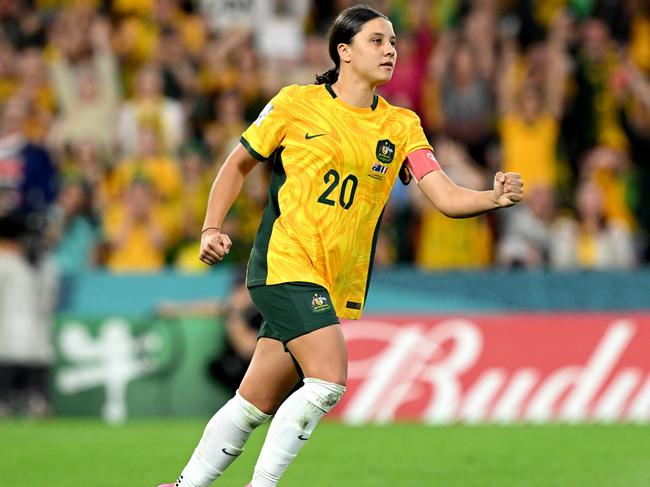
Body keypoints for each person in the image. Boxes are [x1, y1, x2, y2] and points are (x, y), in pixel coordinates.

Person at [159, 5, 523, 487]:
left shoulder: (402, 125)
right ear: (343, 51)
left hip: (334, 279)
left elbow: (445, 197)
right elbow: (237, 164)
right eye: (377, 41)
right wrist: (211, 227)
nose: (390, 50)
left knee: (254, 403)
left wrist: (491, 197)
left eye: (393, 42)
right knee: (328, 379)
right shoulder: (295, 103)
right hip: (284, 262)